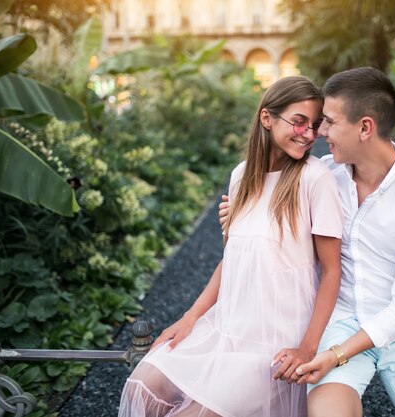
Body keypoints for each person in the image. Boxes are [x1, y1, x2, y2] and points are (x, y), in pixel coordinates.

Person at [220, 67, 395, 417]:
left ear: (365, 127)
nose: (319, 133)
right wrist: (238, 218)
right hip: (339, 320)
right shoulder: (320, 175)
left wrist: (337, 354)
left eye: (328, 122)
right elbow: (268, 217)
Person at [118, 76, 343, 417]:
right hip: (227, 326)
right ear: (267, 118)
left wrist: (307, 347)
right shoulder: (241, 176)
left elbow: (331, 271)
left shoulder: (314, 178)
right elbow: (234, 260)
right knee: (142, 387)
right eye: (299, 122)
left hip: (275, 338)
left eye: (314, 126)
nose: (309, 135)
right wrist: (190, 317)